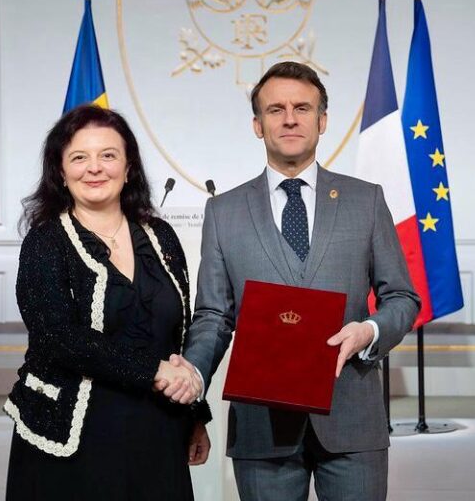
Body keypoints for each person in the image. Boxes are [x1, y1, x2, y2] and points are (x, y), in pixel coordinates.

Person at [168, 62, 421, 500]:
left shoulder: (365, 200)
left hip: (352, 419)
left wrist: (369, 331)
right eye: (276, 109)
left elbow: (401, 297)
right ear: (257, 125)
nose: (289, 119)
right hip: (261, 426)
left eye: (302, 108)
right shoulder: (224, 212)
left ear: (322, 121)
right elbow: (213, 316)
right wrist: (192, 378)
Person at [3, 105, 211, 500]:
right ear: (60, 172)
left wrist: (194, 415)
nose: (94, 168)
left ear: (128, 167)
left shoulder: (161, 236)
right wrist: (154, 370)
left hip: (157, 430)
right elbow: (58, 338)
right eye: (79, 157)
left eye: (108, 155)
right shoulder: (45, 242)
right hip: (73, 438)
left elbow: (177, 335)